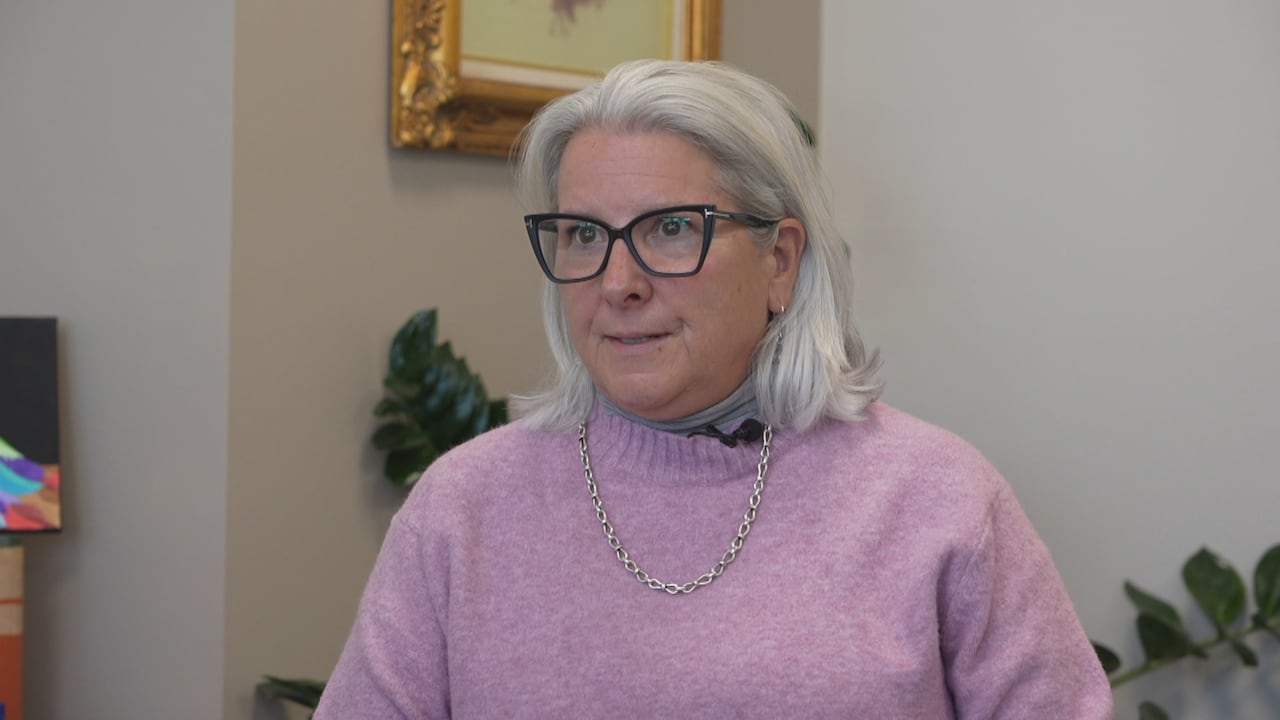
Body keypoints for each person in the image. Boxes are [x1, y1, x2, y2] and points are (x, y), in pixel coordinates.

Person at [315, 59, 1112, 718]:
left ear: (779, 261)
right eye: (584, 234)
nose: (617, 283)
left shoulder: (937, 500)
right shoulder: (462, 508)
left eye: (670, 229)